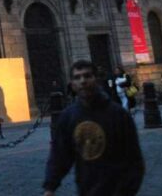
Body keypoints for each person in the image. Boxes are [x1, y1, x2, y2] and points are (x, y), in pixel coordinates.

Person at [42, 59, 145, 196]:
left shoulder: (118, 114)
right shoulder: (69, 117)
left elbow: (134, 160)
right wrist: (50, 187)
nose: (82, 81)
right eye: (77, 77)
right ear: (72, 84)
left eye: (87, 76)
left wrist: (126, 191)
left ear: (96, 79)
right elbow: (60, 154)